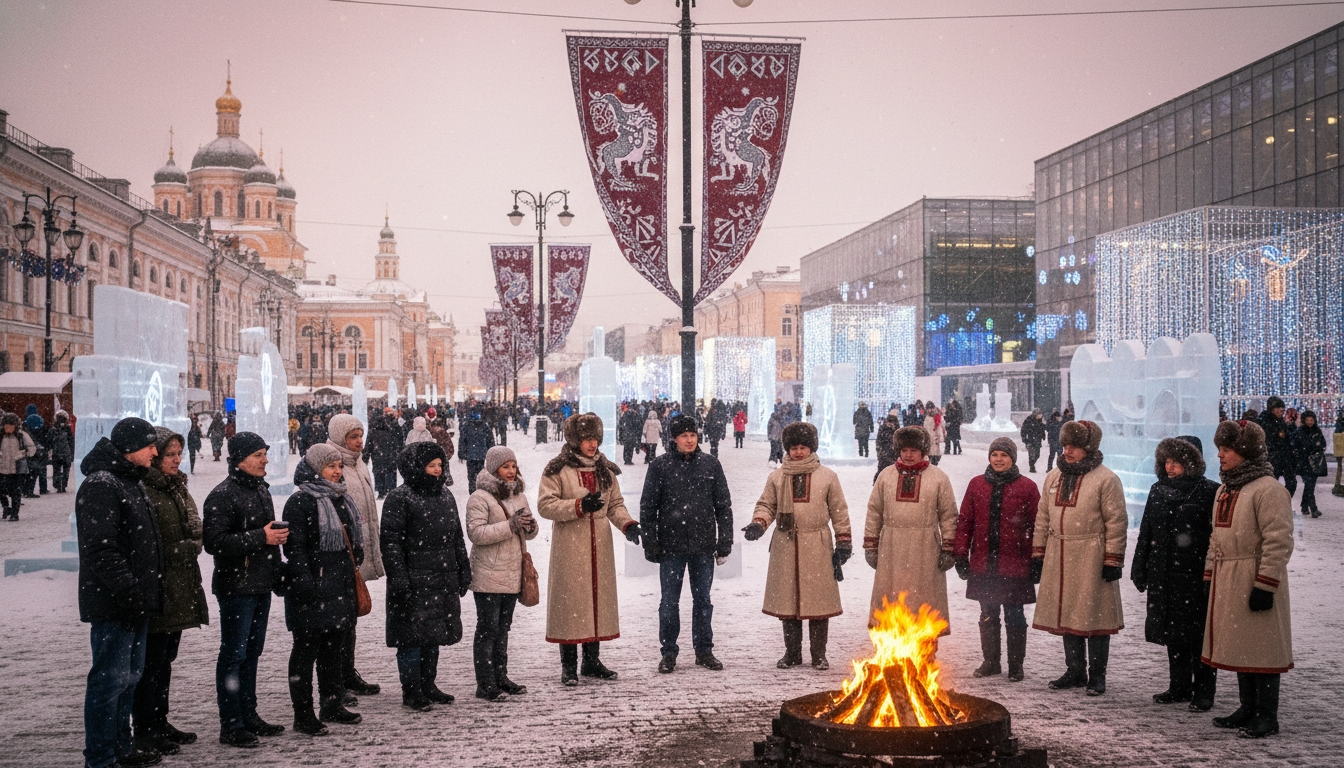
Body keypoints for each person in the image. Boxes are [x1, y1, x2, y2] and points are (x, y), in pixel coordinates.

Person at [77, 417, 164, 768]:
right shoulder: (102, 484)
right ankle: (100, 757)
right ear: (129, 448)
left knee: (129, 679)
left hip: (134, 600)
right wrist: (128, 590)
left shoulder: (130, 480)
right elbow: (101, 549)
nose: (156, 452)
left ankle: (121, 748)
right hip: (115, 602)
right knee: (108, 682)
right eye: (150, 446)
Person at [1205, 419, 1294, 739]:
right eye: (1219, 449)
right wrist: (1210, 572)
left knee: (1262, 648)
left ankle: (1267, 715)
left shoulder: (1268, 489)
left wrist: (1265, 584)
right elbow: (1216, 536)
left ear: (1244, 451)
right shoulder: (1226, 489)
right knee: (1243, 645)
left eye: (1226, 449)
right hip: (1229, 577)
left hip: (1254, 576)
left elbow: (1278, 540)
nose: (1220, 455)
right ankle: (1248, 707)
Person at [538, 413, 640, 685]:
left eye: (595, 438)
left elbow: (615, 504)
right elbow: (545, 505)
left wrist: (627, 525)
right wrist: (578, 507)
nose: (592, 444)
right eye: (586, 439)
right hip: (570, 544)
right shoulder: (557, 469)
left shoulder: (605, 470)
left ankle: (592, 661)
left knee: (597, 600)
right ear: (575, 440)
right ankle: (569, 665)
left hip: (600, 544)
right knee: (571, 602)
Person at [203, 432, 288, 748]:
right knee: (234, 654)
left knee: (252, 653)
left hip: (259, 584)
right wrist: (260, 538)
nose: (265, 460)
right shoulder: (223, 495)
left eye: (265, 454)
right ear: (240, 459)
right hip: (236, 587)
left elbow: (267, 537)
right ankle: (232, 723)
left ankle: (249, 715)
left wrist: (277, 570)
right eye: (258, 455)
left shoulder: (260, 490)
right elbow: (215, 543)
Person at [1030, 420, 1127, 696]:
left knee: (1094, 616)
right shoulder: (1054, 476)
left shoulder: (1106, 479)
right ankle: (1074, 671)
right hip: (1059, 553)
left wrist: (1113, 559)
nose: (1068, 451)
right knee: (1068, 613)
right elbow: (1043, 517)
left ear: (1089, 447)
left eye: (1074, 446)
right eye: (1065, 446)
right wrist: (1038, 553)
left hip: (1091, 555)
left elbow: (1116, 522)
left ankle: (1097, 676)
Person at [743, 422, 850, 670]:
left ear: (811, 448)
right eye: (794, 448)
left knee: (818, 602)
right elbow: (766, 505)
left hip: (818, 544)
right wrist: (759, 524)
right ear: (787, 450)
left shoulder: (828, 477)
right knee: (787, 602)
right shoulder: (777, 477)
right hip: (785, 544)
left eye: (803, 447)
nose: (798, 452)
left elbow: (839, 511)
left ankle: (818, 655)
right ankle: (792, 653)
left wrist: (844, 541)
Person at [133, 427, 209, 756]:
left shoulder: (177, 488)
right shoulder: (145, 490)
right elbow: (152, 544)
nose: (177, 460)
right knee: (151, 663)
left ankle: (160, 721)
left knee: (165, 660)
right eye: (170, 455)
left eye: (179, 454)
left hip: (179, 586)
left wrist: (191, 543)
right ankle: (146, 728)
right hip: (158, 588)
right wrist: (183, 548)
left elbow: (195, 528)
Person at [381, 441, 472, 710]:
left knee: (433, 635)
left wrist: (462, 569)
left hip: (441, 577)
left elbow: (456, 537)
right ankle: (411, 690)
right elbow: (391, 542)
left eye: (439, 465)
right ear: (415, 468)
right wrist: (399, 578)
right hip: (413, 578)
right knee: (411, 638)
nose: (436, 470)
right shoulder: (400, 497)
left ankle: (428, 684)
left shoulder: (445, 496)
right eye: (430, 465)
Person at [1131, 436, 1220, 711]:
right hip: (1164, 571)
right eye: (1166, 461)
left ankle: (1204, 692)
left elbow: (1215, 535)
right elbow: (1146, 531)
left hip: (1193, 574)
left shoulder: (1209, 491)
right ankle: (1179, 686)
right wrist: (1139, 565)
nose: (1170, 467)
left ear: (1191, 462)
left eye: (1176, 462)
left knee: (1198, 635)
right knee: (1172, 632)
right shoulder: (1158, 490)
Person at [641, 414, 732, 673]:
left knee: (703, 600)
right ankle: (668, 652)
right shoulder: (660, 467)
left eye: (692, 435)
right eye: (684, 436)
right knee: (669, 602)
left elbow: (723, 507)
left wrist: (724, 541)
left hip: (703, 545)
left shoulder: (711, 465)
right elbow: (648, 508)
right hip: (672, 546)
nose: (689, 440)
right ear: (675, 438)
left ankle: (704, 650)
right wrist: (651, 542)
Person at [283, 445, 362, 734]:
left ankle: (332, 703)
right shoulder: (301, 501)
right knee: (305, 651)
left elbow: (350, 538)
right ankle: (303, 714)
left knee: (333, 649)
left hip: (338, 584)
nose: (338, 471)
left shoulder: (340, 497)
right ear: (316, 469)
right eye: (331, 467)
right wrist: (306, 583)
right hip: (311, 587)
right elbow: (296, 549)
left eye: (339, 466)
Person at [953, 438, 1040, 682]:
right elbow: (965, 522)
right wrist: (960, 554)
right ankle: (991, 661)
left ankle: (1015, 665)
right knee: (988, 614)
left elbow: (1037, 526)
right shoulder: (977, 485)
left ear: (1012, 458)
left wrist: (1036, 559)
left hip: (1015, 565)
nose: (998, 459)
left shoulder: (1027, 487)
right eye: (995, 455)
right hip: (984, 563)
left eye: (1004, 455)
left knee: (1015, 615)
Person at [864, 425, 959, 635]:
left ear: (923, 451)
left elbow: (949, 515)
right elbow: (874, 512)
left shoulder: (938, 478)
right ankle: (892, 647)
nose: (908, 455)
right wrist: (871, 545)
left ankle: (926, 650)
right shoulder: (885, 476)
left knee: (923, 600)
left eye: (913, 450)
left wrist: (949, 548)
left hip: (926, 547)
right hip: (891, 547)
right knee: (891, 598)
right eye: (904, 450)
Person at [466, 446, 537, 701]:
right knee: (488, 629)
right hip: (488, 574)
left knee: (503, 628)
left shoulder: (519, 495)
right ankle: (485, 683)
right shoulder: (480, 498)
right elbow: (476, 534)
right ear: (494, 469)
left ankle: (501, 676)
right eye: (505, 467)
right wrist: (510, 525)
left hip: (512, 573)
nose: (510, 471)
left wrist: (530, 527)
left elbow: (527, 533)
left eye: (513, 466)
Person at [325, 414, 383, 699]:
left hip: (357, 553)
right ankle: (337, 679)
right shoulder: (333, 467)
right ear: (339, 438)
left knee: (351, 617)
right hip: (341, 555)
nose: (359, 441)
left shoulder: (358, 464)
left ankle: (347, 673)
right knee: (342, 620)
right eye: (353, 436)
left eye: (360, 435)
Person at [1258, 396, 1297, 499]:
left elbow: (1287, 438)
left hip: (1284, 457)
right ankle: (1274, 503)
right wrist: (1277, 435)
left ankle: (1281, 501)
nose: (1281, 411)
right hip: (1273, 458)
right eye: (1278, 409)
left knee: (1291, 482)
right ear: (1272, 409)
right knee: (1271, 484)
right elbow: (1266, 439)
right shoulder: (1265, 421)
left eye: (1282, 409)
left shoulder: (1280, 421)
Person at [1291, 410, 1328, 518]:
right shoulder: (1300, 431)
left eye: (1311, 420)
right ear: (1304, 420)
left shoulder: (1317, 431)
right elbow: (1295, 445)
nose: (1309, 422)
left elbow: (1322, 444)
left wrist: (1316, 448)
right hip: (1303, 463)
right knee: (1309, 485)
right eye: (1307, 420)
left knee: (1309, 486)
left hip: (1315, 462)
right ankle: (1313, 508)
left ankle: (1303, 506)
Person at [0, 413, 37, 520]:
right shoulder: (1, 436)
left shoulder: (21, 435)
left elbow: (32, 449)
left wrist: (22, 454)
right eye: (6, 425)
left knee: (16, 492)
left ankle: (15, 514)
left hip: (17, 469)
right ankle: (6, 506)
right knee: (1, 491)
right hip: (2, 468)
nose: (8, 428)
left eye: (11, 426)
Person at [458, 409, 495, 494]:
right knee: (481, 474)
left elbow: (462, 441)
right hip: (482, 455)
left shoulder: (466, 426)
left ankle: (473, 491)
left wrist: (461, 453)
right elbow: (490, 440)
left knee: (471, 476)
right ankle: (481, 490)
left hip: (471, 456)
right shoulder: (484, 426)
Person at [367, 414, 400, 498]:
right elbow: (396, 445)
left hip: (377, 457)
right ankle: (391, 490)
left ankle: (381, 491)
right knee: (390, 473)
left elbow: (368, 447)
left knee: (379, 474)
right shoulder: (390, 432)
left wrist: (365, 458)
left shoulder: (372, 433)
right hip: (390, 457)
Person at [24, 405, 49, 496]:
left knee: (30, 471)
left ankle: (27, 490)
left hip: (31, 451)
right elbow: (44, 437)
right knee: (40, 470)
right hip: (38, 450)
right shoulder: (39, 422)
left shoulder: (25, 424)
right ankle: (42, 488)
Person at [873, 407, 902, 482]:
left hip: (887, 454)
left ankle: (878, 484)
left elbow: (879, 442)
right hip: (889, 454)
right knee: (888, 472)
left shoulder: (884, 428)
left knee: (883, 471)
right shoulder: (895, 428)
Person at [49, 410, 74, 493]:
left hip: (56, 453)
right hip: (66, 453)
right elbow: (71, 442)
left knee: (56, 470)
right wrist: (72, 454)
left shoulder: (53, 429)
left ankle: (58, 485)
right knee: (66, 470)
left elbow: (49, 441)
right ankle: (63, 486)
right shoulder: (67, 429)